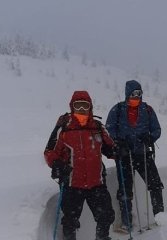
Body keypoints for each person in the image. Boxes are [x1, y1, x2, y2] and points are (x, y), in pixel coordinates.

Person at [44, 90, 116, 240]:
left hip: (96, 183)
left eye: (85, 106)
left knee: (106, 215)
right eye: (78, 106)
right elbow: (49, 151)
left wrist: (117, 150)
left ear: (90, 107)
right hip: (72, 184)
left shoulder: (97, 127)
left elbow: (110, 148)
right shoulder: (64, 127)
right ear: (72, 107)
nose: (82, 110)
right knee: (70, 221)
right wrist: (57, 164)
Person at [105, 80, 164, 231]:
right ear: (127, 94)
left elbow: (156, 129)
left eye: (139, 94)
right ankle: (126, 222)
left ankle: (160, 216)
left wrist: (150, 137)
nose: (136, 97)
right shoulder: (117, 109)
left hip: (143, 153)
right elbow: (109, 129)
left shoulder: (147, 110)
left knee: (155, 184)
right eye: (133, 94)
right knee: (125, 190)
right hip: (124, 155)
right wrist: (118, 141)